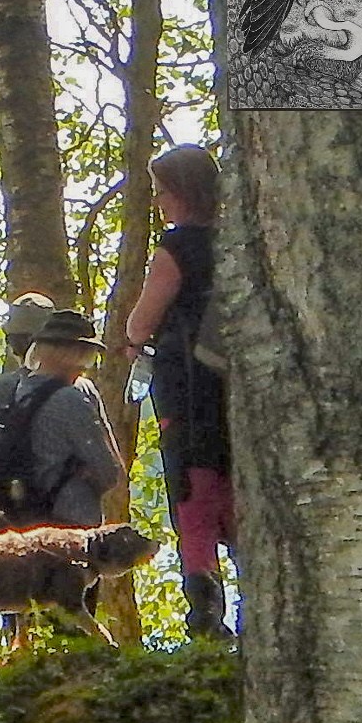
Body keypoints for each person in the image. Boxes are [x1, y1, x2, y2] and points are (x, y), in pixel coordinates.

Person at [119, 143, 233, 637]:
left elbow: (140, 324)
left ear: (180, 193)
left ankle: (204, 610)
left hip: (188, 392)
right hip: (238, 388)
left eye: (162, 191)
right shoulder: (240, 239)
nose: (158, 201)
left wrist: (133, 340)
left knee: (193, 493)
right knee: (236, 487)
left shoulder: (177, 248)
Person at [0, 309, 123, 531]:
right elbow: (110, 472)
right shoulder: (71, 399)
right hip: (69, 526)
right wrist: (82, 472)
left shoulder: (16, 391)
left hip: (21, 520)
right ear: (78, 353)